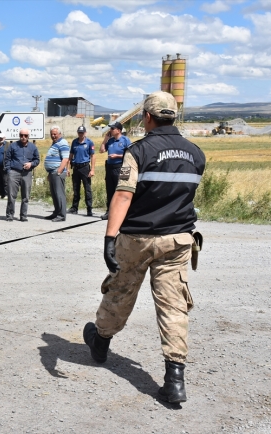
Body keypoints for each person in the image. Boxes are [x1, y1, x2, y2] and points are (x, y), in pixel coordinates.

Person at [82, 91, 206, 404]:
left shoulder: (139, 151)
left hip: (137, 239)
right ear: (173, 116)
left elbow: (123, 195)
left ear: (147, 117)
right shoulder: (196, 153)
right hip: (177, 240)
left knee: (120, 293)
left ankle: (101, 342)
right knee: (173, 306)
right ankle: (175, 378)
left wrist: (110, 238)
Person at [4, 128, 39, 222]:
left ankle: (23, 216)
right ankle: (10, 215)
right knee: (11, 196)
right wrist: (9, 171)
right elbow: (7, 159)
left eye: (25, 135)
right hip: (14, 173)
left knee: (26, 196)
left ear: (28, 136)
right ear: (19, 136)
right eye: (21, 135)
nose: (23, 137)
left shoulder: (33, 147)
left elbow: (37, 160)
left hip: (26, 173)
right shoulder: (13, 146)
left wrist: (31, 164)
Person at [100, 121, 131, 220]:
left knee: (121, 190)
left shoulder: (125, 140)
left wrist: (117, 156)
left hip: (120, 167)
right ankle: (109, 211)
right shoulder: (110, 141)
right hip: (110, 167)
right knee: (110, 190)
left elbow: (130, 155)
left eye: (112, 129)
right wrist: (105, 140)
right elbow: (101, 150)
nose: (110, 130)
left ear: (118, 130)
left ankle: (122, 212)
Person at [67, 125, 96, 217]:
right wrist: (67, 168)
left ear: (85, 133)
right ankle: (74, 208)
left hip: (85, 168)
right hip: (76, 167)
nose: (80, 134)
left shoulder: (89, 143)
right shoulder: (74, 142)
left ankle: (89, 209)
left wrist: (92, 170)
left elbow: (92, 156)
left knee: (87, 189)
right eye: (79, 132)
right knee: (76, 188)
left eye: (82, 132)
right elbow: (71, 156)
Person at [43, 126, 70, 222]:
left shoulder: (63, 143)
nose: (53, 136)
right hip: (52, 172)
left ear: (60, 134)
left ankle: (62, 215)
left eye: (55, 134)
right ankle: (56, 213)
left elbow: (65, 159)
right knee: (54, 194)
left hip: (58, 172)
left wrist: (59, 171)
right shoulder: (55, 143)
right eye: (52, 134)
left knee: (59, 194)